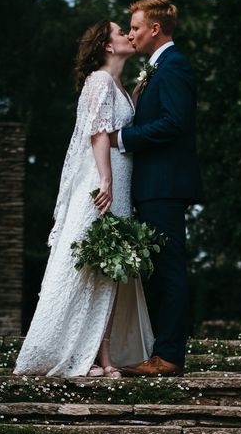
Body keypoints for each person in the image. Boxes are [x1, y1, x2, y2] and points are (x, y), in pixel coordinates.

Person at [14, 20, 153, 379]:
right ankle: (75, 353)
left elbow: (122, 120)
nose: (127, 35)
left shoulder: (118, 85)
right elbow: (97, 133)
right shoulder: (99, 81)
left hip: (119, 183)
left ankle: (102, 357)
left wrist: (139, 90)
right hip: (101, 182)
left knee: (108, 271)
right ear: (108, 46)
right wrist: (105, 179)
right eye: (121, 32)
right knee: (87, 266)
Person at [111, 0, 203, 377]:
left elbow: (174, 122)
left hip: (164, 186)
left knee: (169, 270)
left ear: (155, 28)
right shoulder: (157, 68)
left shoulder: (174, 65)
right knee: (159, 271)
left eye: (134, 27)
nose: (130, 33)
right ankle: (159, 350)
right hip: (152, 186)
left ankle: (168, 356)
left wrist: (123, 138)